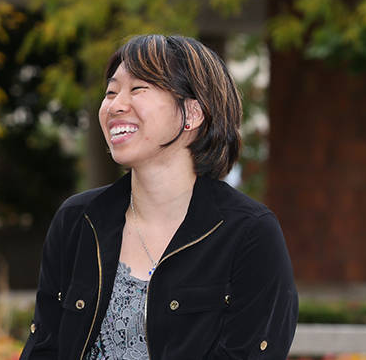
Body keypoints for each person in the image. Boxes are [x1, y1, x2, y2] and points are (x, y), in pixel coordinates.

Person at [18, 35, 297, 359]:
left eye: (138, 89)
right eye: (111, 92)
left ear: (192, 112)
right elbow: (43, 348)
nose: (116, 105)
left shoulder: (249, 234)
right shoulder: (78, 220)